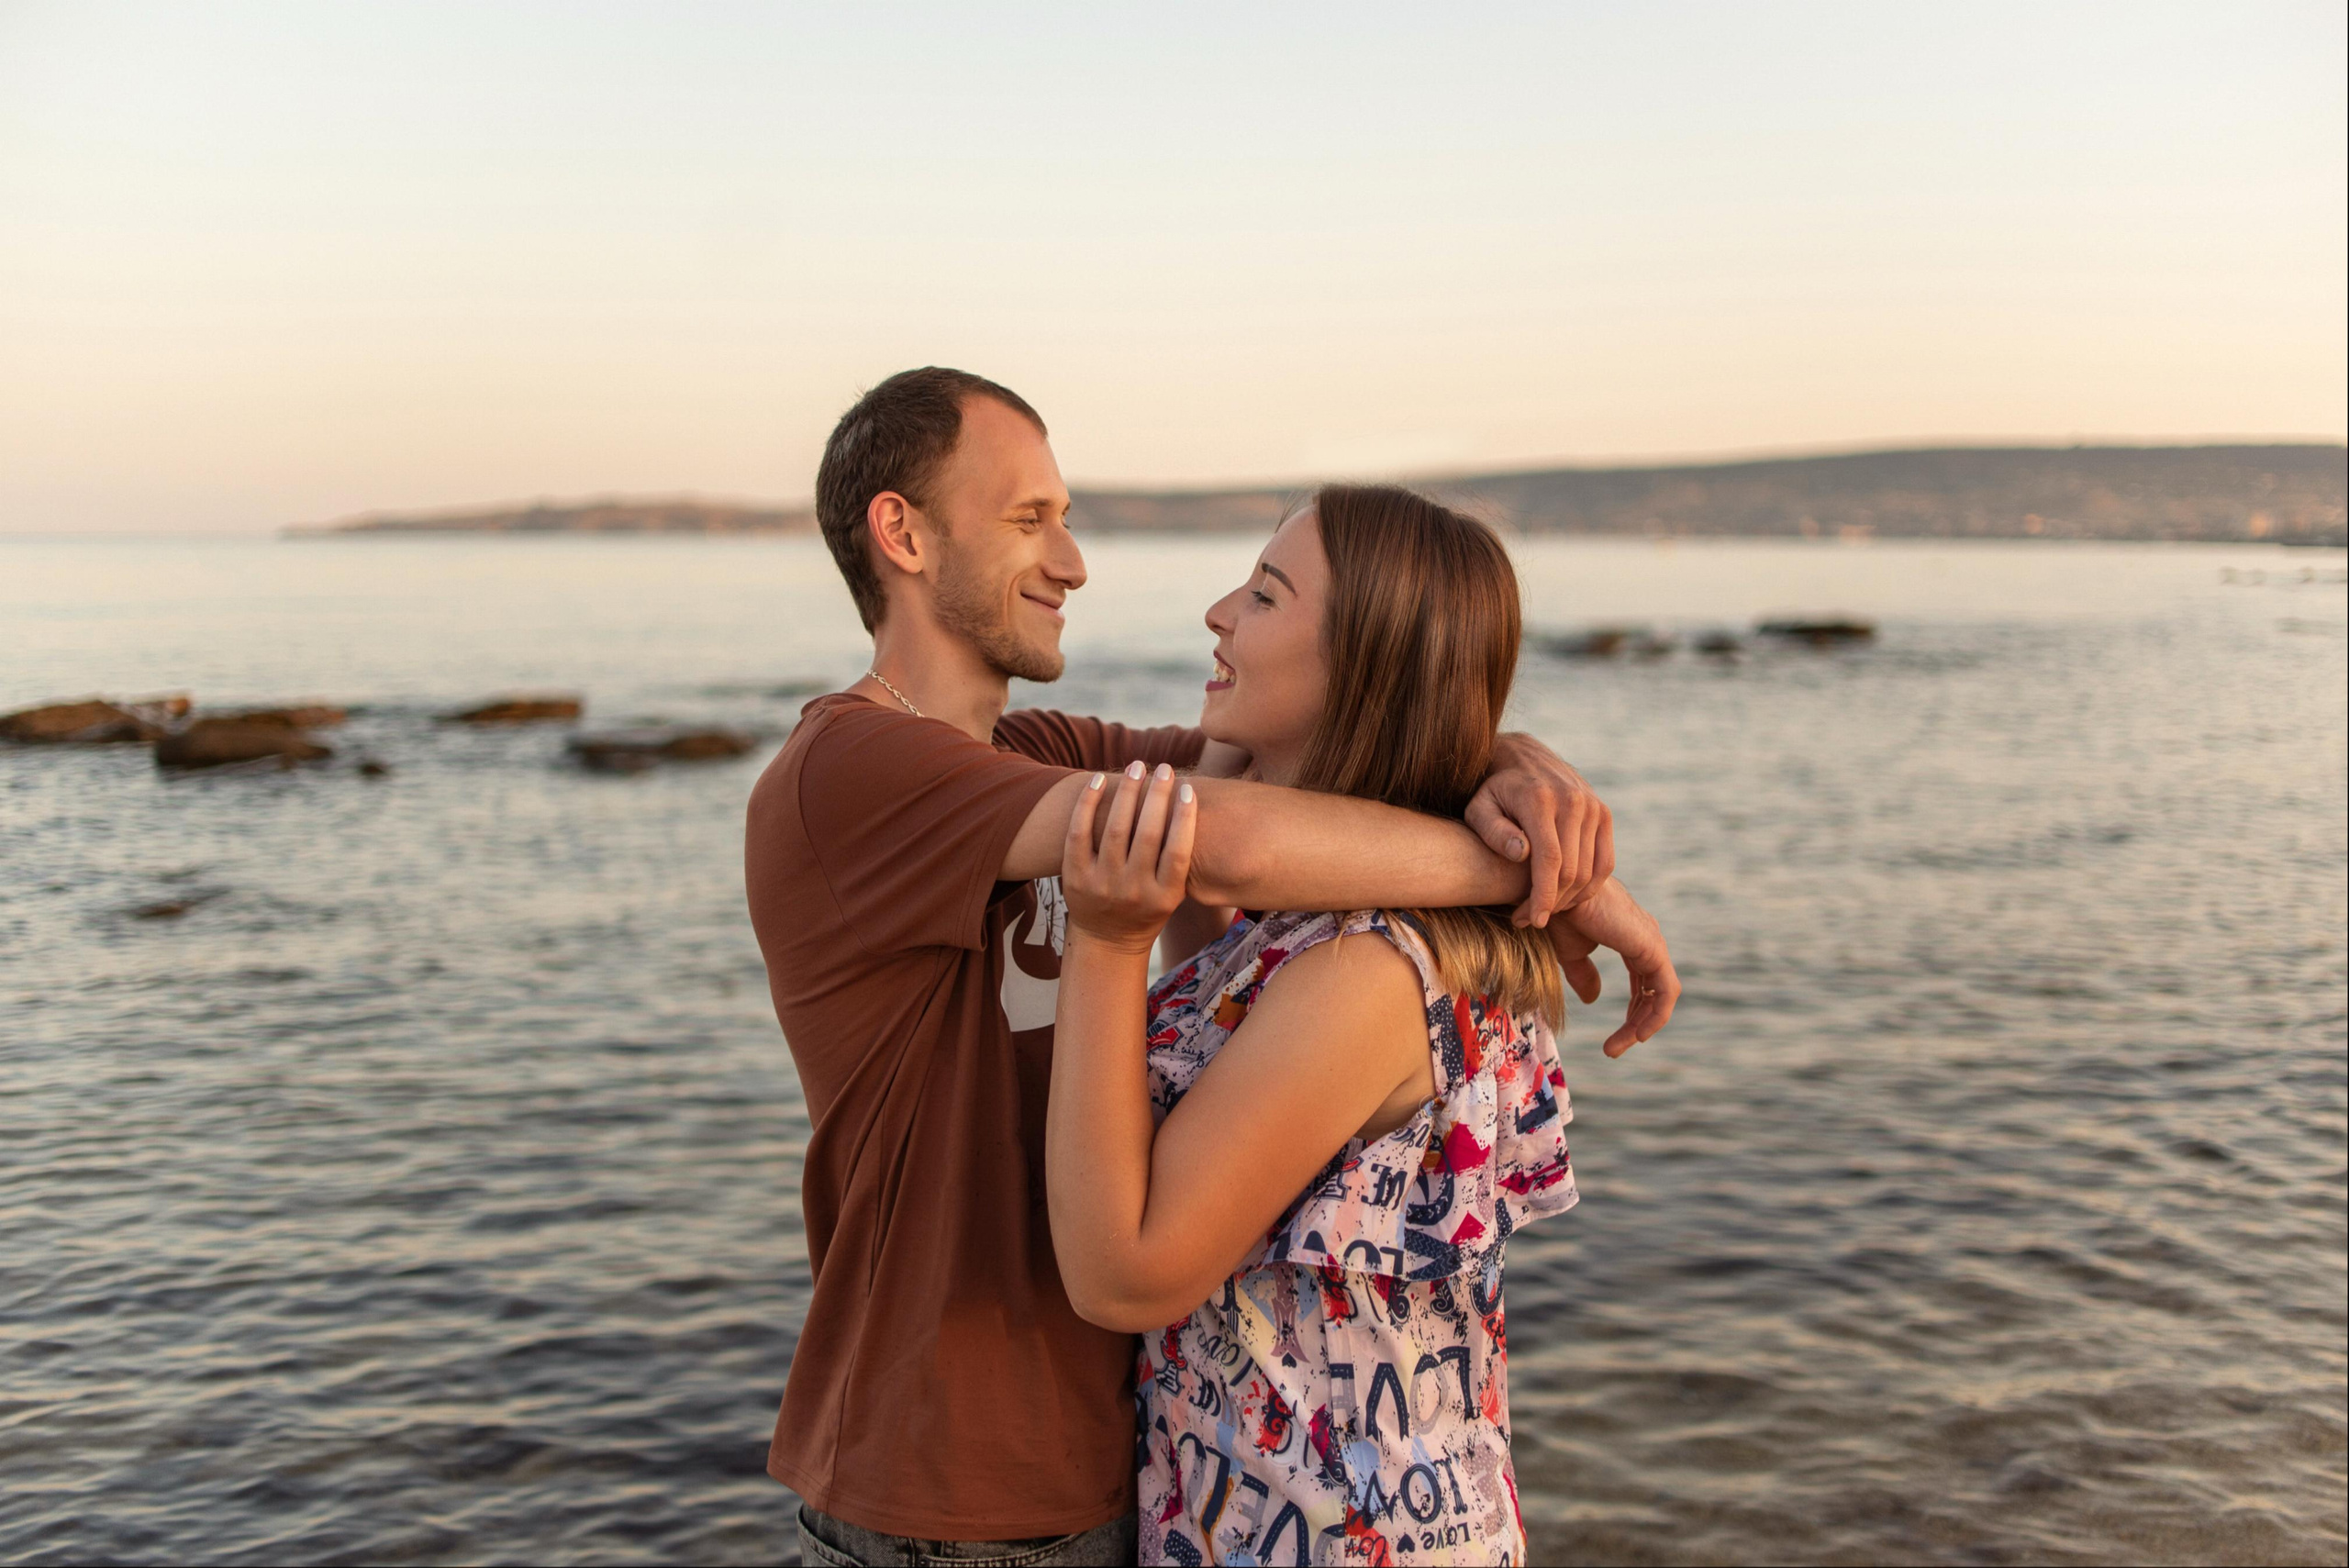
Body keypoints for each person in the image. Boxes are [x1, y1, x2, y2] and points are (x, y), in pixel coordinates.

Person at [743, 369, 1674, 1567]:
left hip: (1137, 1458)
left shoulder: (1046, 753)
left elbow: (1315, 762)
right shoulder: (850, 771)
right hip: (946, 1481)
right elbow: (1233, 831)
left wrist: (1509, 767)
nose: (1073, 561)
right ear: (902, 532)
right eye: (1031, 519)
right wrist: (1531, 876)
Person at [1047, 485, 1677, 1566]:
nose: (1217, 611)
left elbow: (1126, 1274)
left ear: (1366, 665)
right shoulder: (1306, 934)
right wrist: (1508, 769)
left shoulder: (1368, 968)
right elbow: (1219, 892)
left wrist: (1106, 944)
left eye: (1263, 592)